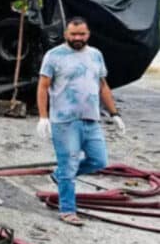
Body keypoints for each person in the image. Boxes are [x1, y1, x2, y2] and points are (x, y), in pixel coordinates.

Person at [36, 16, 125, 226]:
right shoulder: (54, 56)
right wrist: (43, 117)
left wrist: (115, 114)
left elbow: (102, 85)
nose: (78, 38)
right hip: (64, 122)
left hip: (91, 119)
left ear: (88, 34)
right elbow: (43, 86)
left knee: (99, 160)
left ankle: (59, 176)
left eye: (82, 34)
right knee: (69, 166)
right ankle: (67, 210)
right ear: (66, 34)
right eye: (73, 34)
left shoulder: (96, 55)